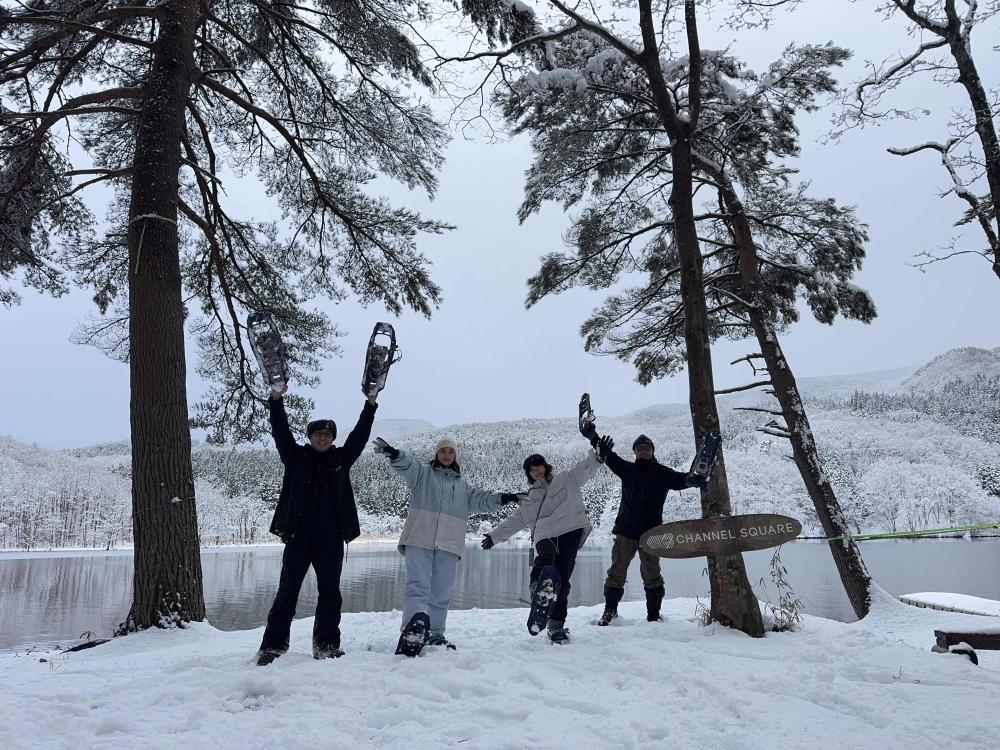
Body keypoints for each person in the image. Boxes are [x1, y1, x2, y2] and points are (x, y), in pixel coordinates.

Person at [255, 382, 378, 666]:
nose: (322, 438)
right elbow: (280, 430)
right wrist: (276, 400)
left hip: (331, 538)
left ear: (333, 437)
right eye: (317, 434)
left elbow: (360, 435)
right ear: (309, 437)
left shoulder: (341, 459)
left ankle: (326, 646)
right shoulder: (295, 456)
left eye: (327, 434)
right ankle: (272, 647)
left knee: (330, 593)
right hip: (298, 536)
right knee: (287, 591)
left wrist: (370, 405)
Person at [372, 435, 521, 656]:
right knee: (418, 587)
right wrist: (394, 453)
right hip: (419, 538)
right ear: (436, 454)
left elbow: (483, 499)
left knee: (441, 591)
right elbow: (408, 465)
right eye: (443, 451)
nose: (446, 455)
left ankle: (436, 633)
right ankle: (410, 630)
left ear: (455, 456)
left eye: (451, 452)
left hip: (449, 543)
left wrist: (507, 497)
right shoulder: (423, 475)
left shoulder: (463, 487)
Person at [481, 443, 604, 643]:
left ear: (545, 466)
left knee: (562, 580)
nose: (536, 470)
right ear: (529, 474)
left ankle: (556, 626)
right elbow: (515, 520)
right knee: (545, 560)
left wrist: (598, 456)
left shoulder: (566, 478)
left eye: (539, 466)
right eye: (532, 469)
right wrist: (494, 536)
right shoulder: (529, 499)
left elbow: (585, 468)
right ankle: (538, 587)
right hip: (544, 534)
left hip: (569, 530)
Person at [595, 433, 706, 626]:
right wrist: (592, 436)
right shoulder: (627, 469)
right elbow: (608, 455)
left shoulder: (662, 473)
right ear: (635, 452)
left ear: (652, 451)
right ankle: (610, 611)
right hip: (625, 531)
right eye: (640, 449)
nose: (643, 451)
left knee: (652, 574)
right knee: (616, 572)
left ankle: (653, 615)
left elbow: (681, 480)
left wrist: (692, 480)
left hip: (652, 534)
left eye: (647, 448)